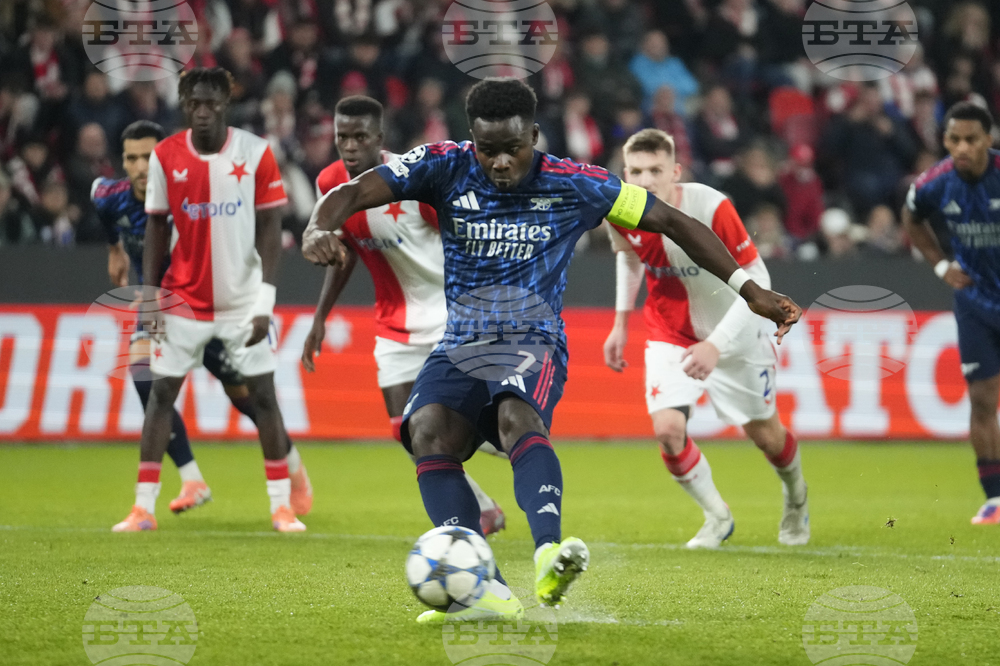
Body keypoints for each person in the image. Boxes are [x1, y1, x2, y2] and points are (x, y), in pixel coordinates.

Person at [302, 78, 802, 622]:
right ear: (472, 138)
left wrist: (750, 291)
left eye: (512, 149)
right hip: (461, 341)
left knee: (517, 417)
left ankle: (547, 554)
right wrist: (314, 228)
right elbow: (350, 192)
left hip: (532, 339)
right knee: (424, 432)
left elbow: (672, 220)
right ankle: (481, 587)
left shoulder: (577, 183)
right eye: (487, 149)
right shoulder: (443, 165)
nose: (498, 162)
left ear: (534, 136)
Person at [111, 67, 307, 533]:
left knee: (263, 399)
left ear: (226, 102)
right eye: (194, 104)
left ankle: (281, 507)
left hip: (242, 303)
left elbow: (270, 226)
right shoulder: (165, 156)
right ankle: (143, 508)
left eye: (211, 103)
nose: (203, 112)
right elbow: (156, 225)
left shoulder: (256, 153)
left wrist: (265, 299)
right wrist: (152, 297)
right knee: (160, 395)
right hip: (183, 301)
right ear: (183, 104)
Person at [303, 95, 507, 536]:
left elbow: (464, 237)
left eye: (360, 137)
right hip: (393, 324)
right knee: (407, 431)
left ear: (380, 138)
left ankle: (509, 439)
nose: (350, 146)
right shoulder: (330, 183)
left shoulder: (415, 180)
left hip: (447, 316)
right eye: (342, 137)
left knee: (459, 423)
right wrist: (320, 316)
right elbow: (345, 252)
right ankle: (483, 508)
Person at [603, 129, 810, 549]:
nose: (645, 181)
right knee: (667, 430)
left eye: (655, 171)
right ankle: (717, 517)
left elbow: (759, 279)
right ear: (626, 172)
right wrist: (621, 322)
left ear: (675, 172)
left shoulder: (712, 206)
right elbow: (628, 257)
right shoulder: (620, 210)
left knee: (767, 437)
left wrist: (716, 344)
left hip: (736, 332)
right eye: (637, 171)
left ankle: (796, 496)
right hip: (670, 331)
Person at [902, 102, 1000, 525]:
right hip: (975, 301)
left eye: (971, 140)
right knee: (981, 400)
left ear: (988, 141)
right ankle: (995, 499)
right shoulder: (935, 183)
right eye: (954, 139)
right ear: (944, 140)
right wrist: (941, 265)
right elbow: (912, 218)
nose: (962, 147)